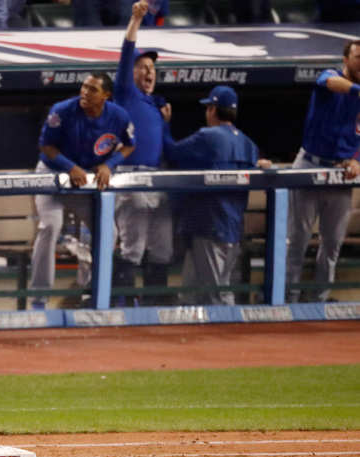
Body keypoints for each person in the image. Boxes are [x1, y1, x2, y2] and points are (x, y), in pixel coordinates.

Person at [29, 72, 136, 309]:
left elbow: (129, 145)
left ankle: (92, 290)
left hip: (83, 179)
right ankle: (39, 299)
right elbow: (45, 146)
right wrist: (70, 167)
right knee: (50, 226)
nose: (85, 92)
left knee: (108, 231)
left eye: (93, 89)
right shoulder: (63, 110)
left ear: (106, 95)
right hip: (52, 173)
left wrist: (109, 164)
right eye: (84, 87)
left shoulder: (118, 116)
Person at [162, 85, 261, 306]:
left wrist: (165, 125)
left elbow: (171, 153)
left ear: (213, 110)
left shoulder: (208, 136)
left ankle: (232, 336)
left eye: (209, 107)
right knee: (193, 293)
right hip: (232, 228)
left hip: (208, 225)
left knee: (217, 295)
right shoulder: (249, 144)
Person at [286, 40, 360, 303]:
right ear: (346, 59)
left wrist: (356, 160)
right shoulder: (330, 76)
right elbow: (330, 84)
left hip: (340, 173)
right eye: (358, 57)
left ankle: (319, 300)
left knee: (332, 245)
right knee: (297, 240)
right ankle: (287, 300)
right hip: (310, 164)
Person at [112, 0, 172, 306]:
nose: (149, 72)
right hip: (129, 179)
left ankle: (155, 307)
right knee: (133, 248)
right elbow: (125, 55)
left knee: (163, 247)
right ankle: (122, 307)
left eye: (152, 68)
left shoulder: (156, 106)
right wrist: (135, 21)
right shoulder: (125, 93)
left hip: (157, 178)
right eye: (143, 67)